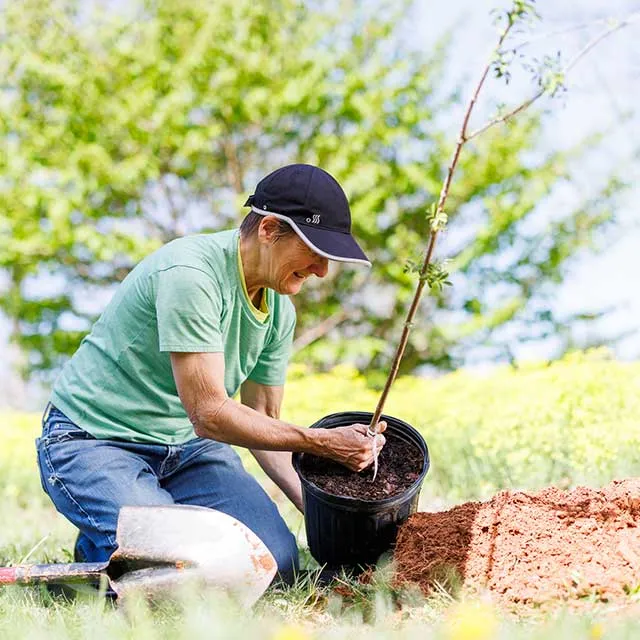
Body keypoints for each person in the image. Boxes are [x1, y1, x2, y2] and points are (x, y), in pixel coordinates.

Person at [36, 163, 387, 584]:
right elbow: (208, 414)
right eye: (315, 251)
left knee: (274, 563)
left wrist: (326, 516)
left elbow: (264, 426)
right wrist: (321, 443)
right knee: (181, 564)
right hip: (94, 441)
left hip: (187, 451)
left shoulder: (278, 313)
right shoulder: (192, 275)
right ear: (269, 229)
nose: (322, 271)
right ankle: (101, 546)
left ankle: (128, 524)